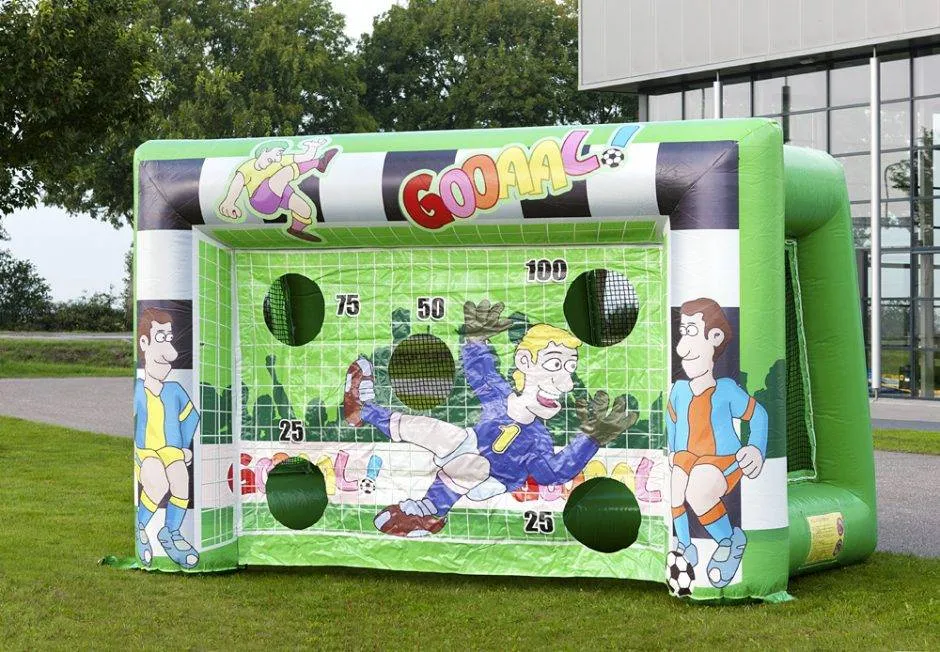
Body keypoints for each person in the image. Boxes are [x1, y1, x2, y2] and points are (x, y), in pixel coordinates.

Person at [343, 300, 635, 537]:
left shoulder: (536, 440)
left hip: (492, 479)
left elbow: (552, 473)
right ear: (524, 362)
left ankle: (431, 512)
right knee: (440, 432)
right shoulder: (501, 399)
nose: (566, 383)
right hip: (469, 446)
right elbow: (480, 372)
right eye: (555, 365)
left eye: (569, 370)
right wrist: (476, 339)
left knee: (474, 463)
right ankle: (363, 410)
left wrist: (591, 439)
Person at [666, 297, 768, 588]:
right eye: (682, 332)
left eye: (691, 332)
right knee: (676, 485)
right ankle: (686, 544)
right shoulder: (679, 391)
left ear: (715, 338)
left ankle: (730, 540)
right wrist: (672, 451)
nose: (683, 347)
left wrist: (756, 448)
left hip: (723, 460)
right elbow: (673, 422)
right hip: (688, 456)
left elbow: (758, 415)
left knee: (698, 489)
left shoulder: (725, 390)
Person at [134, 307, 200, 568]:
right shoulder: (139, 390)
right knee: (158, 482)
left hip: (170, 448)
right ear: (144, 343)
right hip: (146, 451)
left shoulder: (173, 390)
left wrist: (183, 447)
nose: (170, 350)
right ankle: (141, 526)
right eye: (161, 338)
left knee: (181, 480)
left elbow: (191, 416)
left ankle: (170, 532)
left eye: (169, 338)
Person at [218, 138, 338, 243]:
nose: (278, 158)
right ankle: (319, 163)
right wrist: (229, 201)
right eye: (277, 153)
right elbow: (238, 182)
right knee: (284, 173)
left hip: (280, 193)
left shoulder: (280, 160)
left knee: (305, 209)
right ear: (265, 151)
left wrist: (313, 147)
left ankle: (295, 230)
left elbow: (305, 157)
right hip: (260, 200)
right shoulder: (248, 167)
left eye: (280, 154)